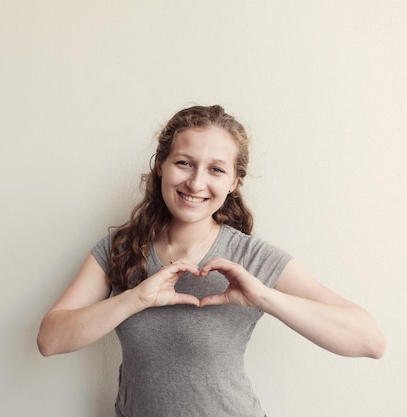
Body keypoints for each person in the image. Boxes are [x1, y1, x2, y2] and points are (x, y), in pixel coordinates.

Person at [36, 105, 385, 417]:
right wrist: (136, 298)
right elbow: (50, 340)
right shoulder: (121, 249)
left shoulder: (253, 257)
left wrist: (264, 297)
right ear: (161, 166)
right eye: (184, 163)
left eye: (216, 169)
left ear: (234, 182)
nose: (196, 182)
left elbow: (370, 341)